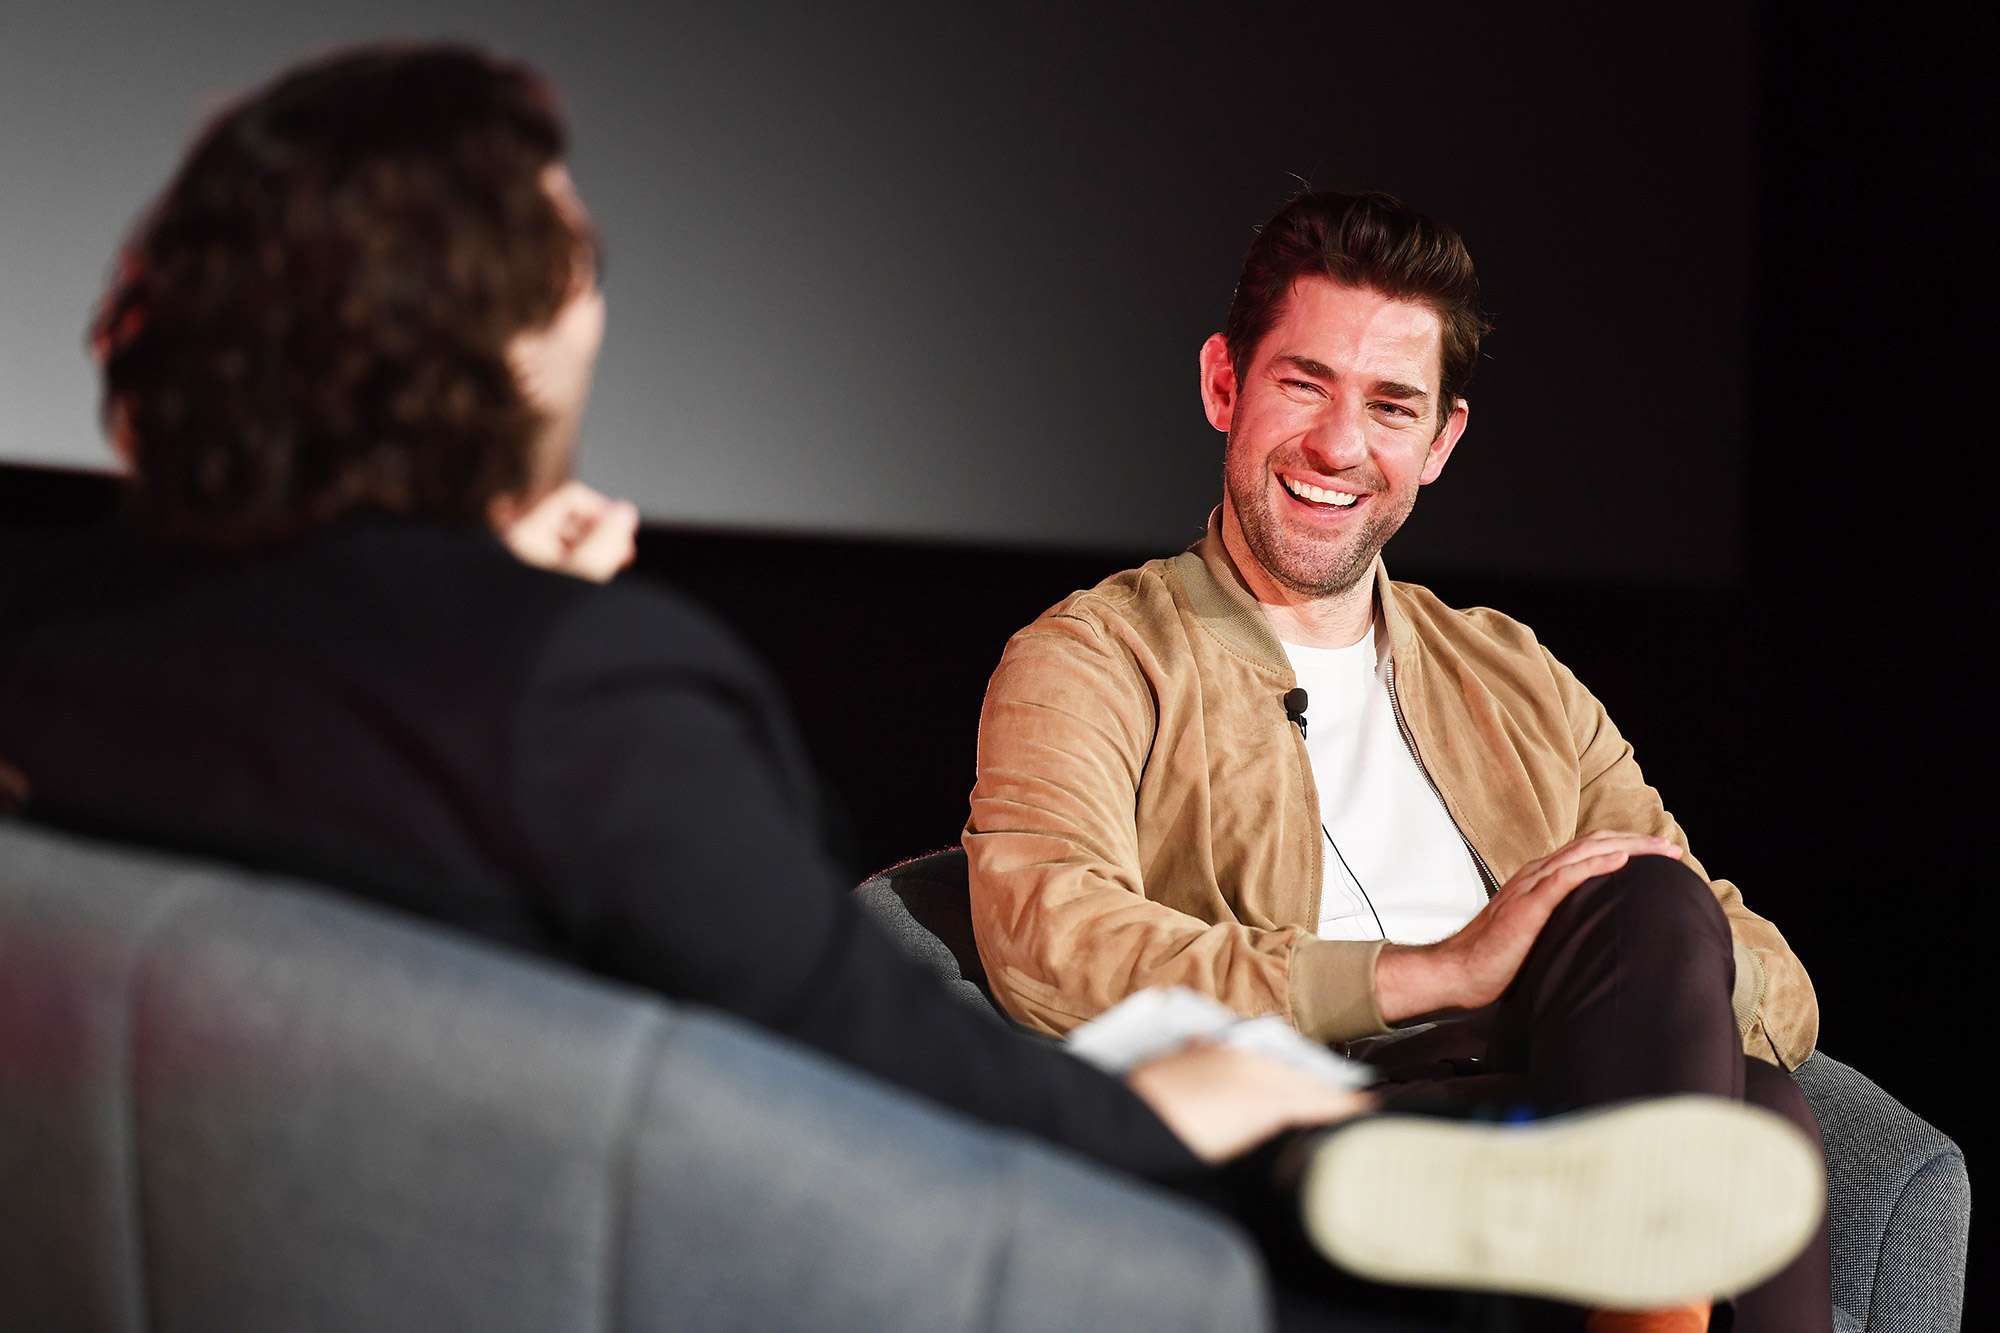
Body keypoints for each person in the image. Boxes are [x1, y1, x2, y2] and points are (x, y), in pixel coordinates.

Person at [0, 47, 1817, 1329]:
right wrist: (1203, 1106)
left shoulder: (83, 664)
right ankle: (1462, 1217)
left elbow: (388, 771)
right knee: (1614, 1094)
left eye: (1394, 404)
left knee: (1719, 1034)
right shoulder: (616, 696)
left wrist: (483, 592)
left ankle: (1511, 1210)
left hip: (457, 1172)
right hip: (891, 1195)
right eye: (569, 241)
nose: (600, 274)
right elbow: (856, 1042)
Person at [963, 189, 1831, 1331]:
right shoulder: (1096, 654)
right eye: (1301, 383)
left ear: (1437, 442)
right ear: (1223, 384)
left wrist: (1585, 997)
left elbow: (1770, 973)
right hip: (1302, 1106)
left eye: (1387, 406)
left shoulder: (1512, 675)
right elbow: (1047, 935)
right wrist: (1431, 971)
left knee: (1688, 976)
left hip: (1531, 1088)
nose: (1337, 445)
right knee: (1748, 1123)